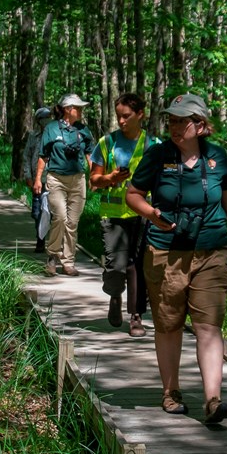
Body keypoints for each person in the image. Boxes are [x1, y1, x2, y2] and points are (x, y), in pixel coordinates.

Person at [126, 93, 227, 424]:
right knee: (169, 323)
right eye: (171, 121)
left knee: (208, 326)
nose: (175, 127)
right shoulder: (158, 156)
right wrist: (152, 214)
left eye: (182, 121)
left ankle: (213, 400)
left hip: (212, 251)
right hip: (165, 251)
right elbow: (133, 195)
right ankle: (171, 392)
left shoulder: (218, 158)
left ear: (200, 125)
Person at [89, 93, 160, 338]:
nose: (121, 121)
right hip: (113, 214)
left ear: (140, 115)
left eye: (126, 116)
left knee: (139, 266)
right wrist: (110, 179)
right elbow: (94, 180)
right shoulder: (106, 142)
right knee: (115, 266)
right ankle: (114, 295)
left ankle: (136, 316)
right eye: (118, 116)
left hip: (144, 215)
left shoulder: (154, 145)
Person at [33, 94, 95, 277]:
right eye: (79, 107)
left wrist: (95, 176)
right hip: (56, 179)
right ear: (69, 109)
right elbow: (43, 155)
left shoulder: (84, 130)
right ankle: (52, 256)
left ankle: (68, 262)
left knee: (73, 222)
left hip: (78, 180)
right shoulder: (51, 128)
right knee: (59, 217)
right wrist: (38, 179)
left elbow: (90, 155)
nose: (81, 110)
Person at [23, 107, 52, 253]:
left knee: (53, 212)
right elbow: (27, 156)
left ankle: (54, 244)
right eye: (43, 118)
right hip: (38, 181)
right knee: (37, 211)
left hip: (54, 180)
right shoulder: (33, 136)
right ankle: (40, 239)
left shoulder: (55, 135)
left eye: (48, 117)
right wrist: (28, 175)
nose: (46, 120)